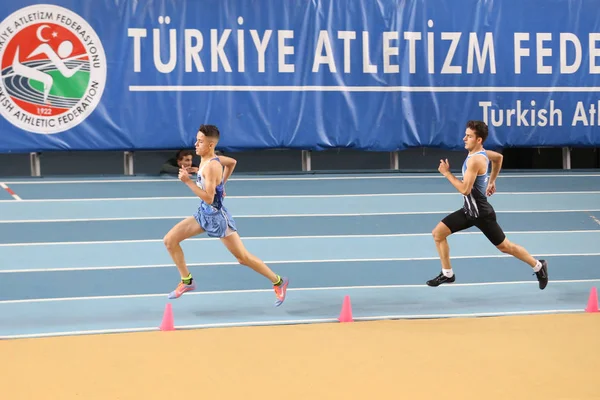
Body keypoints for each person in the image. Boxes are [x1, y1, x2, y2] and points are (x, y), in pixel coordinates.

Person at [163, 124, 289, 306]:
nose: (195, 144)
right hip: (203, 214)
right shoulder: (209, 161)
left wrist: (187, 182)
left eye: (200, 142)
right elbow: (232, 163)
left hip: (217, 219)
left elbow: (208, 198)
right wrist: (222, 183)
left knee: (242, 257)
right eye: (196, 140)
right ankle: (187, 281)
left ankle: (278, 281)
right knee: (169, 241)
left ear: (210, 145)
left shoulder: (211, 167)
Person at [426, 120, 549, 289]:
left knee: (506, 247)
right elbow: (499, 158)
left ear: (479, 140)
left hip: (482, 215)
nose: (464, 138)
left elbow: (465, 189)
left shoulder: (476, 160)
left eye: (469, 136)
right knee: (438, 234)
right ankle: (448, 273)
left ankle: (539, 266)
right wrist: (492, 181)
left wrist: (447, 173)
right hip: (469, 212)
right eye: (466, 135)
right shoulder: (483, 154)